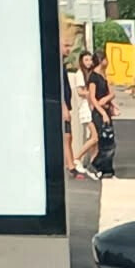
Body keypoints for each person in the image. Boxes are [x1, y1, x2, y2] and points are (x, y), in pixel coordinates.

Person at [84, 52, 116, 179]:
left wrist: (109, 102)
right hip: (99, 112)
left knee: (109, 141)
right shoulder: (93, 77)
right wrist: (102, 112)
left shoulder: (104, 75)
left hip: (106, 109)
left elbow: (111, 93)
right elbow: (92, 97)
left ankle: (107, 169)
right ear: (102, 60)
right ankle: (95, 165)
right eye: (106, 59)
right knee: (104, 141)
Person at [60, 34, 83, 179]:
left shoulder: (62, 65)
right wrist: (63, 107)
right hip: (61, 107)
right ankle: (71, 166)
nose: (69, 49)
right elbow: (58, 89)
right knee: (66, 136)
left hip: (66, 105)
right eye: (66, 46)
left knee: (68, 136)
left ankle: (70, 164)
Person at [72, 50, 98, 176]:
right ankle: (76, 158)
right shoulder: (80, 74)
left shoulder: (89, 74)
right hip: (85, 107)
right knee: (94, 137)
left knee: (93, 138)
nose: (89, 62)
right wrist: (91, 94)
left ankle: (93, 163)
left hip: (90, 106)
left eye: (90, 60)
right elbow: (79, 92)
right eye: (86, 60)